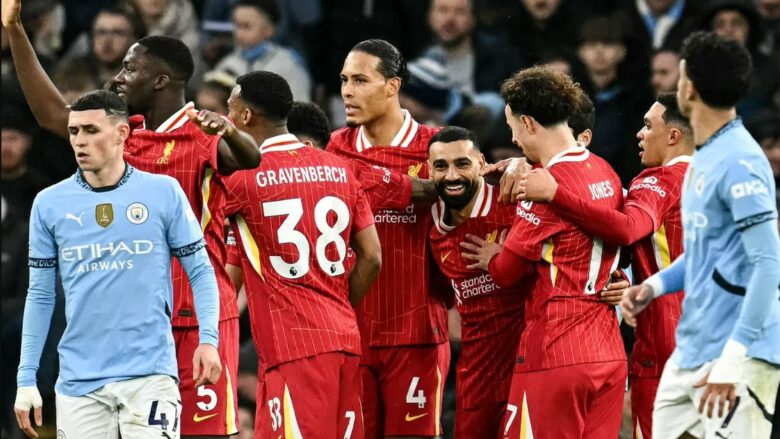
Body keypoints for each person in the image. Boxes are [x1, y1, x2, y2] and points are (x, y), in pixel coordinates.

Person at [3, 1, 261, 434]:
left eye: (130, 68)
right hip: (136, 325)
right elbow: (52, 115)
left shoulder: (201, 132)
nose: (119, 77)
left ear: (160, 80)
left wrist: (230, 131)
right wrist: (14, 30)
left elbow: (248, 160)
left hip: (198, 319)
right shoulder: (124, 135)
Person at [13, 89, 222, 438]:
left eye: (91, 130)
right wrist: (26, 377)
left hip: (150, 375)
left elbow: (200, 271)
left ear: (122, 133)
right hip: (79, 381)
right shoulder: (48, 204)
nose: (79, 141)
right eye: (74, 131)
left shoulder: (163, 192)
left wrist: (209, 339)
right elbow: (40, 295)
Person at [621, 31, 780, 439]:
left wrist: (734, 356)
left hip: (737, 353)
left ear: (689, 88)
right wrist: (653, 286)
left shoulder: (741, 161)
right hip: (693, 347)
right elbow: (705, 255)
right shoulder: (703, 159)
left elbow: (767, 264)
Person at [461, 67, 626, 439]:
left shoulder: (543, 187)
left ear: (528, 123)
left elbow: (507, 271)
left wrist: (493, 255)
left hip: (556, 350)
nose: (513, 138)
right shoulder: (606, 171)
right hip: (609, 349)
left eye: (513, 127)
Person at [518, 92, 695, 439]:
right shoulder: (719, 180)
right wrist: (622, 276)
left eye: (648, 126)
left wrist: (555, 193)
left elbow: (627, 229)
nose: (640, 134)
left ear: (673, 136)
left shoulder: (658, 180)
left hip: (666, 347)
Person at [222, 70, 382, 438]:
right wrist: (335, 307)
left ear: (246, 116)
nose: (227, 119)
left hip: (293, 349)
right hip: (343, 338)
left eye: (230, 109)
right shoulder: (340, 169)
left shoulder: (242, 179)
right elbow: (372, 256)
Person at [327, 39, 449, 439]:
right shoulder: (335, 148)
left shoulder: (436, 148)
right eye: (344, 80)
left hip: (416, 333)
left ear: (393, 86)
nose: (347, 91)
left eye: (361, 80)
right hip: (353, 334)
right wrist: (401, 186)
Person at [426, 126, 524, 438]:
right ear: (429, 171)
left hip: (527, 367)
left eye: (462, 164)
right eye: (441, 166)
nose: (452, 176)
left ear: (482, 163)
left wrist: (613, 279)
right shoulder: (431, 227)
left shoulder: (515, 202)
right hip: (476, 376)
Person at [214, 0, 312, 101]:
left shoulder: (288, 65)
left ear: (269, 30)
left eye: (247, 26)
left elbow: (300, 105)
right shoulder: (227, 63)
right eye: (237, 25)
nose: (239, 33)